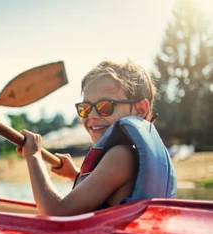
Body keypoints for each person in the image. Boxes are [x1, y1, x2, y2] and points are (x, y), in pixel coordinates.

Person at [17, 60, 176, 216]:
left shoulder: (121, 156)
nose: (92, 116)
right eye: (85, 108)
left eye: (105, 106)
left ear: (140, 109)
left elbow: (55, 212)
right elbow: (110, 187)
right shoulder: (127, 155)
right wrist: (76, 174)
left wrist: (33, 156)